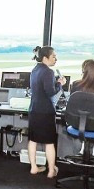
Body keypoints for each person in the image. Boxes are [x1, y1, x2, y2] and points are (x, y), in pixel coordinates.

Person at [28, 46, 65, 178]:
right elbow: (51, 93)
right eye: (54, 56)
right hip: (45, 112)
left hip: (33, 110)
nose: (56, 59)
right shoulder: (48, 72)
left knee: (33, 140)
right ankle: (51, 170)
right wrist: (60, 83)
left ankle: (33, 167)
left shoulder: (35, 70)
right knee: (49, 142)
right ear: (45, 58)